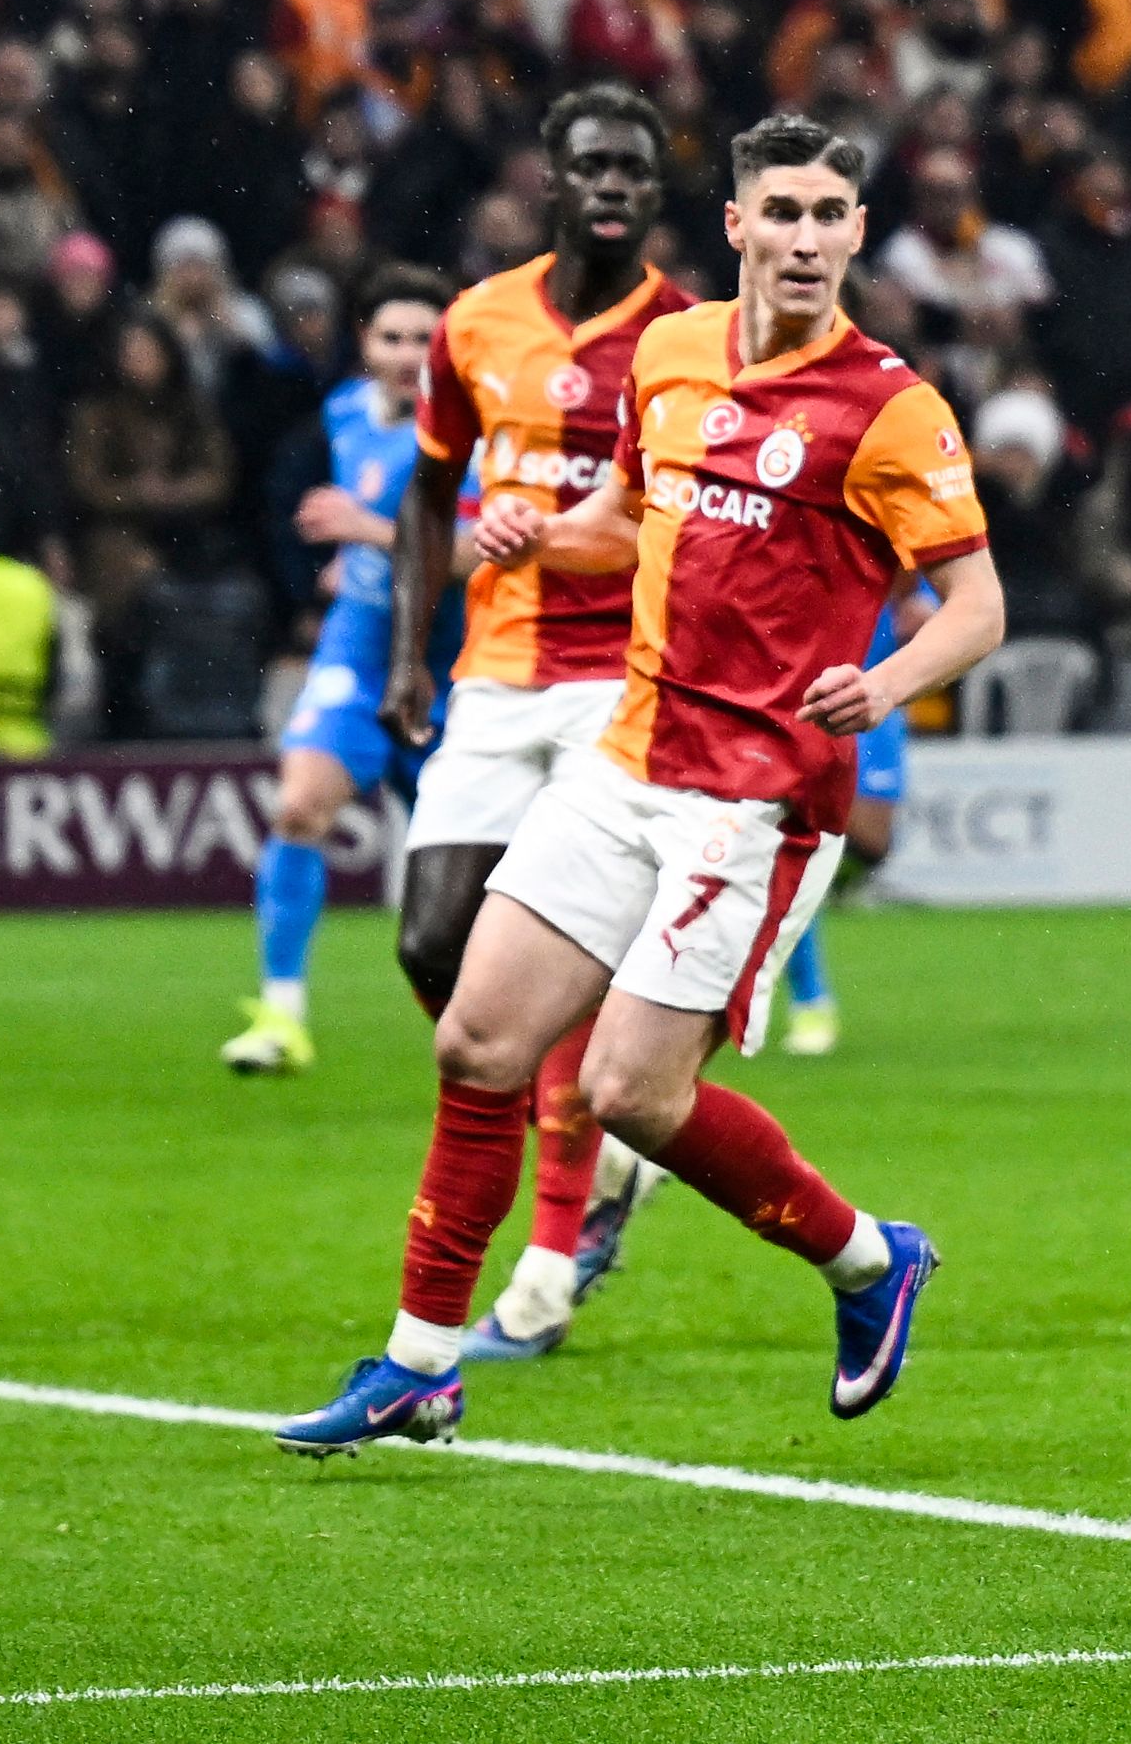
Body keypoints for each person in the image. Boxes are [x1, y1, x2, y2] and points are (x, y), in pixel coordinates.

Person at [274, 114, 1004, 1455]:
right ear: (733, 226)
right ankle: (421, 1363)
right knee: (477, 1039)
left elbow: (975, 603)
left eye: (826, 215)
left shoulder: (890, 405)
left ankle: (864, 1258)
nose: (801, 236)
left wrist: (888, 684)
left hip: (760, 799)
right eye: (777, 210)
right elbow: (626, 516)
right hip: (628, 751)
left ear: (854, 234)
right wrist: (532, 532)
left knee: (630, 1094)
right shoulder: (668, 351)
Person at [378, 84, 697, 1362]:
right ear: (549, 182)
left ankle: (552, 1260)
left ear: (654, 194)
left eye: (633, 169)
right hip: (496, 674)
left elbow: (682, 516)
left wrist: (559, 533)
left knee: (543, 980)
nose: (612, 186)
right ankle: (598, 1155)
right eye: (591, 167)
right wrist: (412, 647)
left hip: (622, 683)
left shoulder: (685, 334)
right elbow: (428, 490)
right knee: (429, 946)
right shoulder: (476, 322)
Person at [221, 267, 456, 1074]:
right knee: (298, 807)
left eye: (423, 339)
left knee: (471, 888)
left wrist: (368, 532)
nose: (405, 353)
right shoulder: (344, 413)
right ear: (365, 342)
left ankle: (521, 1041)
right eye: (390, 337)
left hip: (451, 674)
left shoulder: (480, 431)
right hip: (357, 656)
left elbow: (480, 553)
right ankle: (281, 1016)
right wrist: (352, 567)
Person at [777, 593, 923, 1057]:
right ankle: (811, 1001)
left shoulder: (888, 527)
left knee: (872, 842)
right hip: (802, 693)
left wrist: (921, 607)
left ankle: (818, 888)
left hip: (875, 690)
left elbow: (923, 576)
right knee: (794, 858)